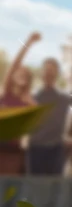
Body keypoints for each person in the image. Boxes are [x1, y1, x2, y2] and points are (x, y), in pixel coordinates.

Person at [26, 44, 72, 176]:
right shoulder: (33, 97)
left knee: (55, 185)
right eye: (46, 70)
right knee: (34, 184)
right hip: (35, 149)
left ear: (57, 74)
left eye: (52, 71)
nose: (49, 73)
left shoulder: (64, 97)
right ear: (42, 73)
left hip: (56, 150)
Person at [1, 31, 40, 175]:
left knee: (10, 183)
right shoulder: (7, 93)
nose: (22, 75)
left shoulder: (27, 102)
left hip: (13, 149)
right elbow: (16, 63)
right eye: (19, 73)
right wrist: (29, 42)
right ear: (13, 76)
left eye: (25, 75)